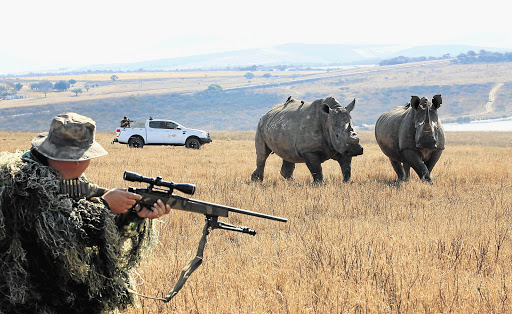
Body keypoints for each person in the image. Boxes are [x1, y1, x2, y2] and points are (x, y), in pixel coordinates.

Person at [0, 112, 171, 313]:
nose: (81, 164)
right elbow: (63, 240)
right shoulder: (21, 183)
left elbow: (99, 237)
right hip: (25, 300)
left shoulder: (70, 182)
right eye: (78, 158)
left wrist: (133, 216)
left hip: (60, 295)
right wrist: (105, 207)